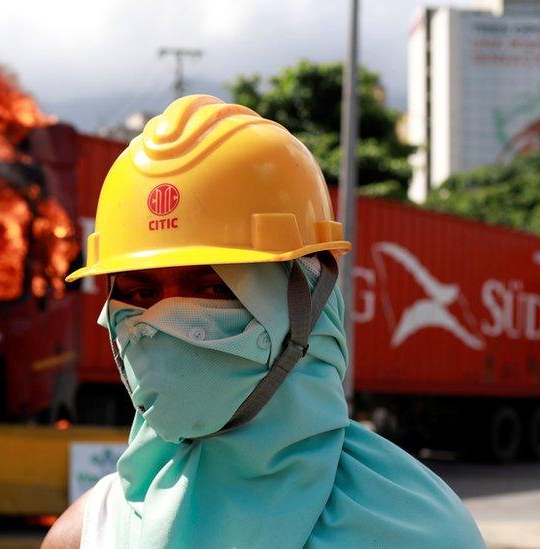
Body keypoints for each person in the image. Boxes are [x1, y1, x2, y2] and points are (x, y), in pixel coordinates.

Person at [42, 95, 485, 548]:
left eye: (215, 289)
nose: (165, 321)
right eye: (140, 294)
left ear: (310, 301)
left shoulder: (416, 534)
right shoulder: (86, 534)